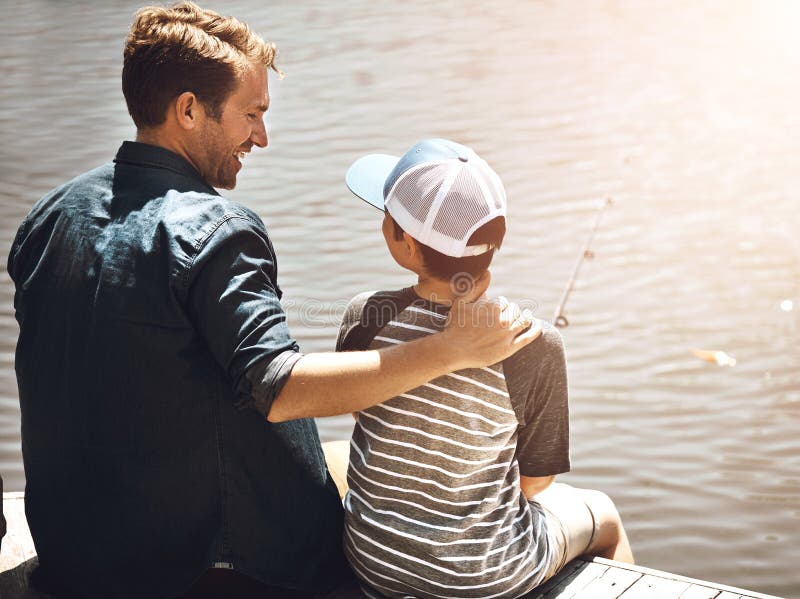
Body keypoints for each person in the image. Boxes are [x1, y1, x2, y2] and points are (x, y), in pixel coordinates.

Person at [5, 5, 539, 599]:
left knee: (345, 454)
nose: (261, 136)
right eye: (252, 114)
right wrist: (451, 349)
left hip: (77, 550)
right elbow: (281, 389)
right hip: (213, 569)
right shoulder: (216, 230)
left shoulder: (50, 216)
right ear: (187, 110)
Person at [336, 139, 634, 598]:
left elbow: (360, 412)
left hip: (375, 563)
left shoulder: (365, 316)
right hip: (484, 578)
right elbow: (535, 484)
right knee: (604, 514)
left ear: (407, 245)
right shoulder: (536, 346)